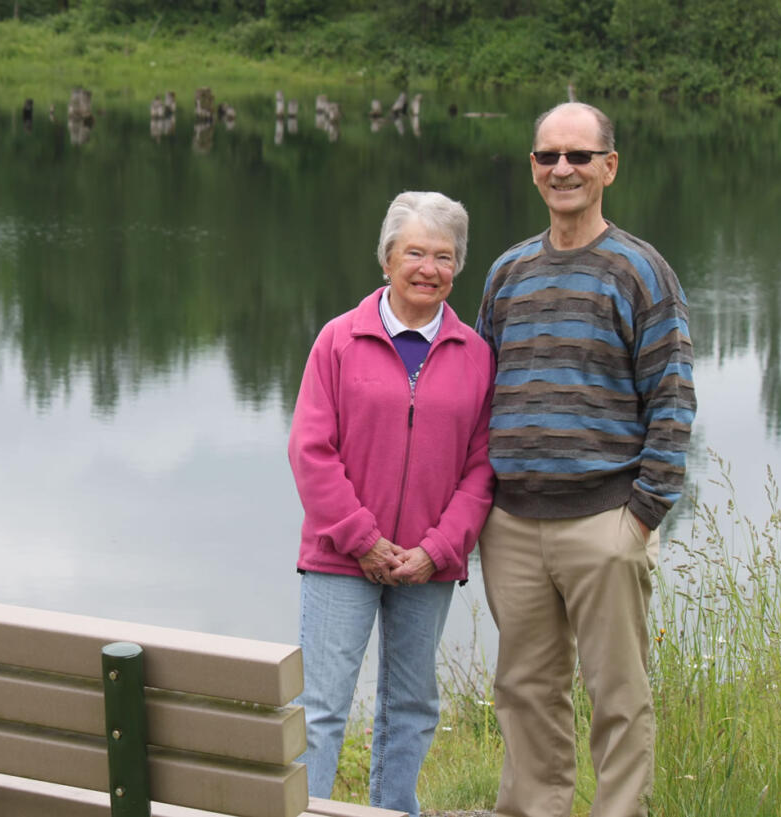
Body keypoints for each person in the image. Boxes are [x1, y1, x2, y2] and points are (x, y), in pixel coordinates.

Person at [474, 102, 696, 817]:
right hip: (511, 525)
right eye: (547, 156)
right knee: (525, 692)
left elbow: (672, 400)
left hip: (605, 520)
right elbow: (479, 397)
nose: (562, 169)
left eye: (577, 155)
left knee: (618, 696)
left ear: (609, 165)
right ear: (532, 167)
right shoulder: (507, 273)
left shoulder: (641, 270)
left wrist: (642, 515)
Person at [288, 191, 496, 816]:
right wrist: (361, 537)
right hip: (340, 558)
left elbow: (483, 468)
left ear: (457, 266)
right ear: (386, 259)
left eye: (443, 255)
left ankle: (392, 811)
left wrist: (437, 550)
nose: (428, 268)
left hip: (427, 566)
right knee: (322, 706)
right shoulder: (338, 340)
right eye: (414, 252)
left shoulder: (477, 355)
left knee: (411, 705)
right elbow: (309, 449)